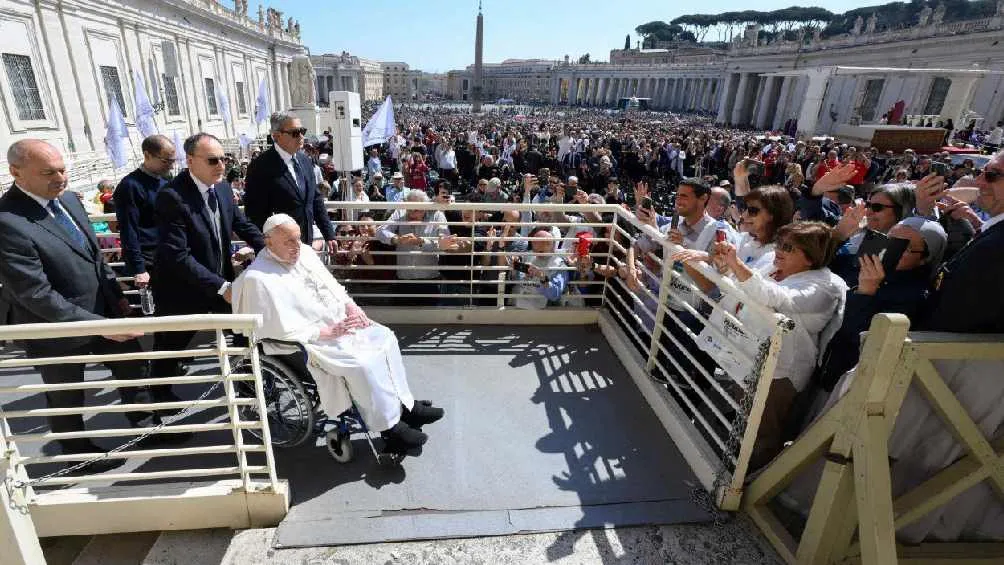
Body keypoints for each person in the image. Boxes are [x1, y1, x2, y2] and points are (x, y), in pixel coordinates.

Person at [0, 139, 159, 473]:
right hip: (54, 327)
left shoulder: (70, 200)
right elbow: (35, 293)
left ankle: (148, 429)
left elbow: (94, 257)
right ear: (16, 172)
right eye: (48, 172)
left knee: (134, 369)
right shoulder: (7, 221)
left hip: (104, 311)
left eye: (62, 169)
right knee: (67, 395)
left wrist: (116, 298)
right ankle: (76, 455)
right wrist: (96, 324)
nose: (60, 178)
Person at [232, 214, 444, 454]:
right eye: (288, 242)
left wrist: (352, 307)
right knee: (362, 364)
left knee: (385, 338)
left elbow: (333, 286)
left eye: (298, 239)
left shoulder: (306, 253)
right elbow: (272, 329)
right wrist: (323, 331)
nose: (296, 247)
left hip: (339, 324)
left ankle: (406, 406)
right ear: (268, 242)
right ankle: (389, 429)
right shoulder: (258, 278)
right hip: (307, 342)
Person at [702, 221, 847, 469]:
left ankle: (748, 486)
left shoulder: (824, 287)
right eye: (780, 243)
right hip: (749, 357)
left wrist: (736, 265)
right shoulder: (775, 263)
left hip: (779, 372)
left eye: (789, 247)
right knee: (745, 420)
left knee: (764, 432)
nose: (779, 250)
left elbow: (774, 297)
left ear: (810, 258)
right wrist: (726, 267)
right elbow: (741, 285)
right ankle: (733, 469)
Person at [152, 133, 266, 385]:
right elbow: (177, 255)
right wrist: (221, 286)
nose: (222, 166)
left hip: (219, 282)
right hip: (182, 288)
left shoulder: (223, 189)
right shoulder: (171, 196)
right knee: (170, 348)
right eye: (213, 160)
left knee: (243, 334)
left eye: (223, 159)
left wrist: (267, 247)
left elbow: (241, 224)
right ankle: (159, 396)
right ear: (190, 161)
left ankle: (250, 385)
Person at [243, 112, 336, 251]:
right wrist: (268, 247)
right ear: (276, 136)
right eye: (295, 133)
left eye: (302, 131)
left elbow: (315, 199)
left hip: (305, 243)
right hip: (279, 248)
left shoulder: (305, 160)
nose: (301, 137)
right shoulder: (260, 167)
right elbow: (255, 213)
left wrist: (329, 234)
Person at [114, 134, 175, 291]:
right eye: (166, 161)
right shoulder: (129, 186)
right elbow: (129, 229)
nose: (171, 166)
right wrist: (139, 268)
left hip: (170, 254)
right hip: (149, 261)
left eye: (173, 161)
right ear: (147, 155)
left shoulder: (165, 181)